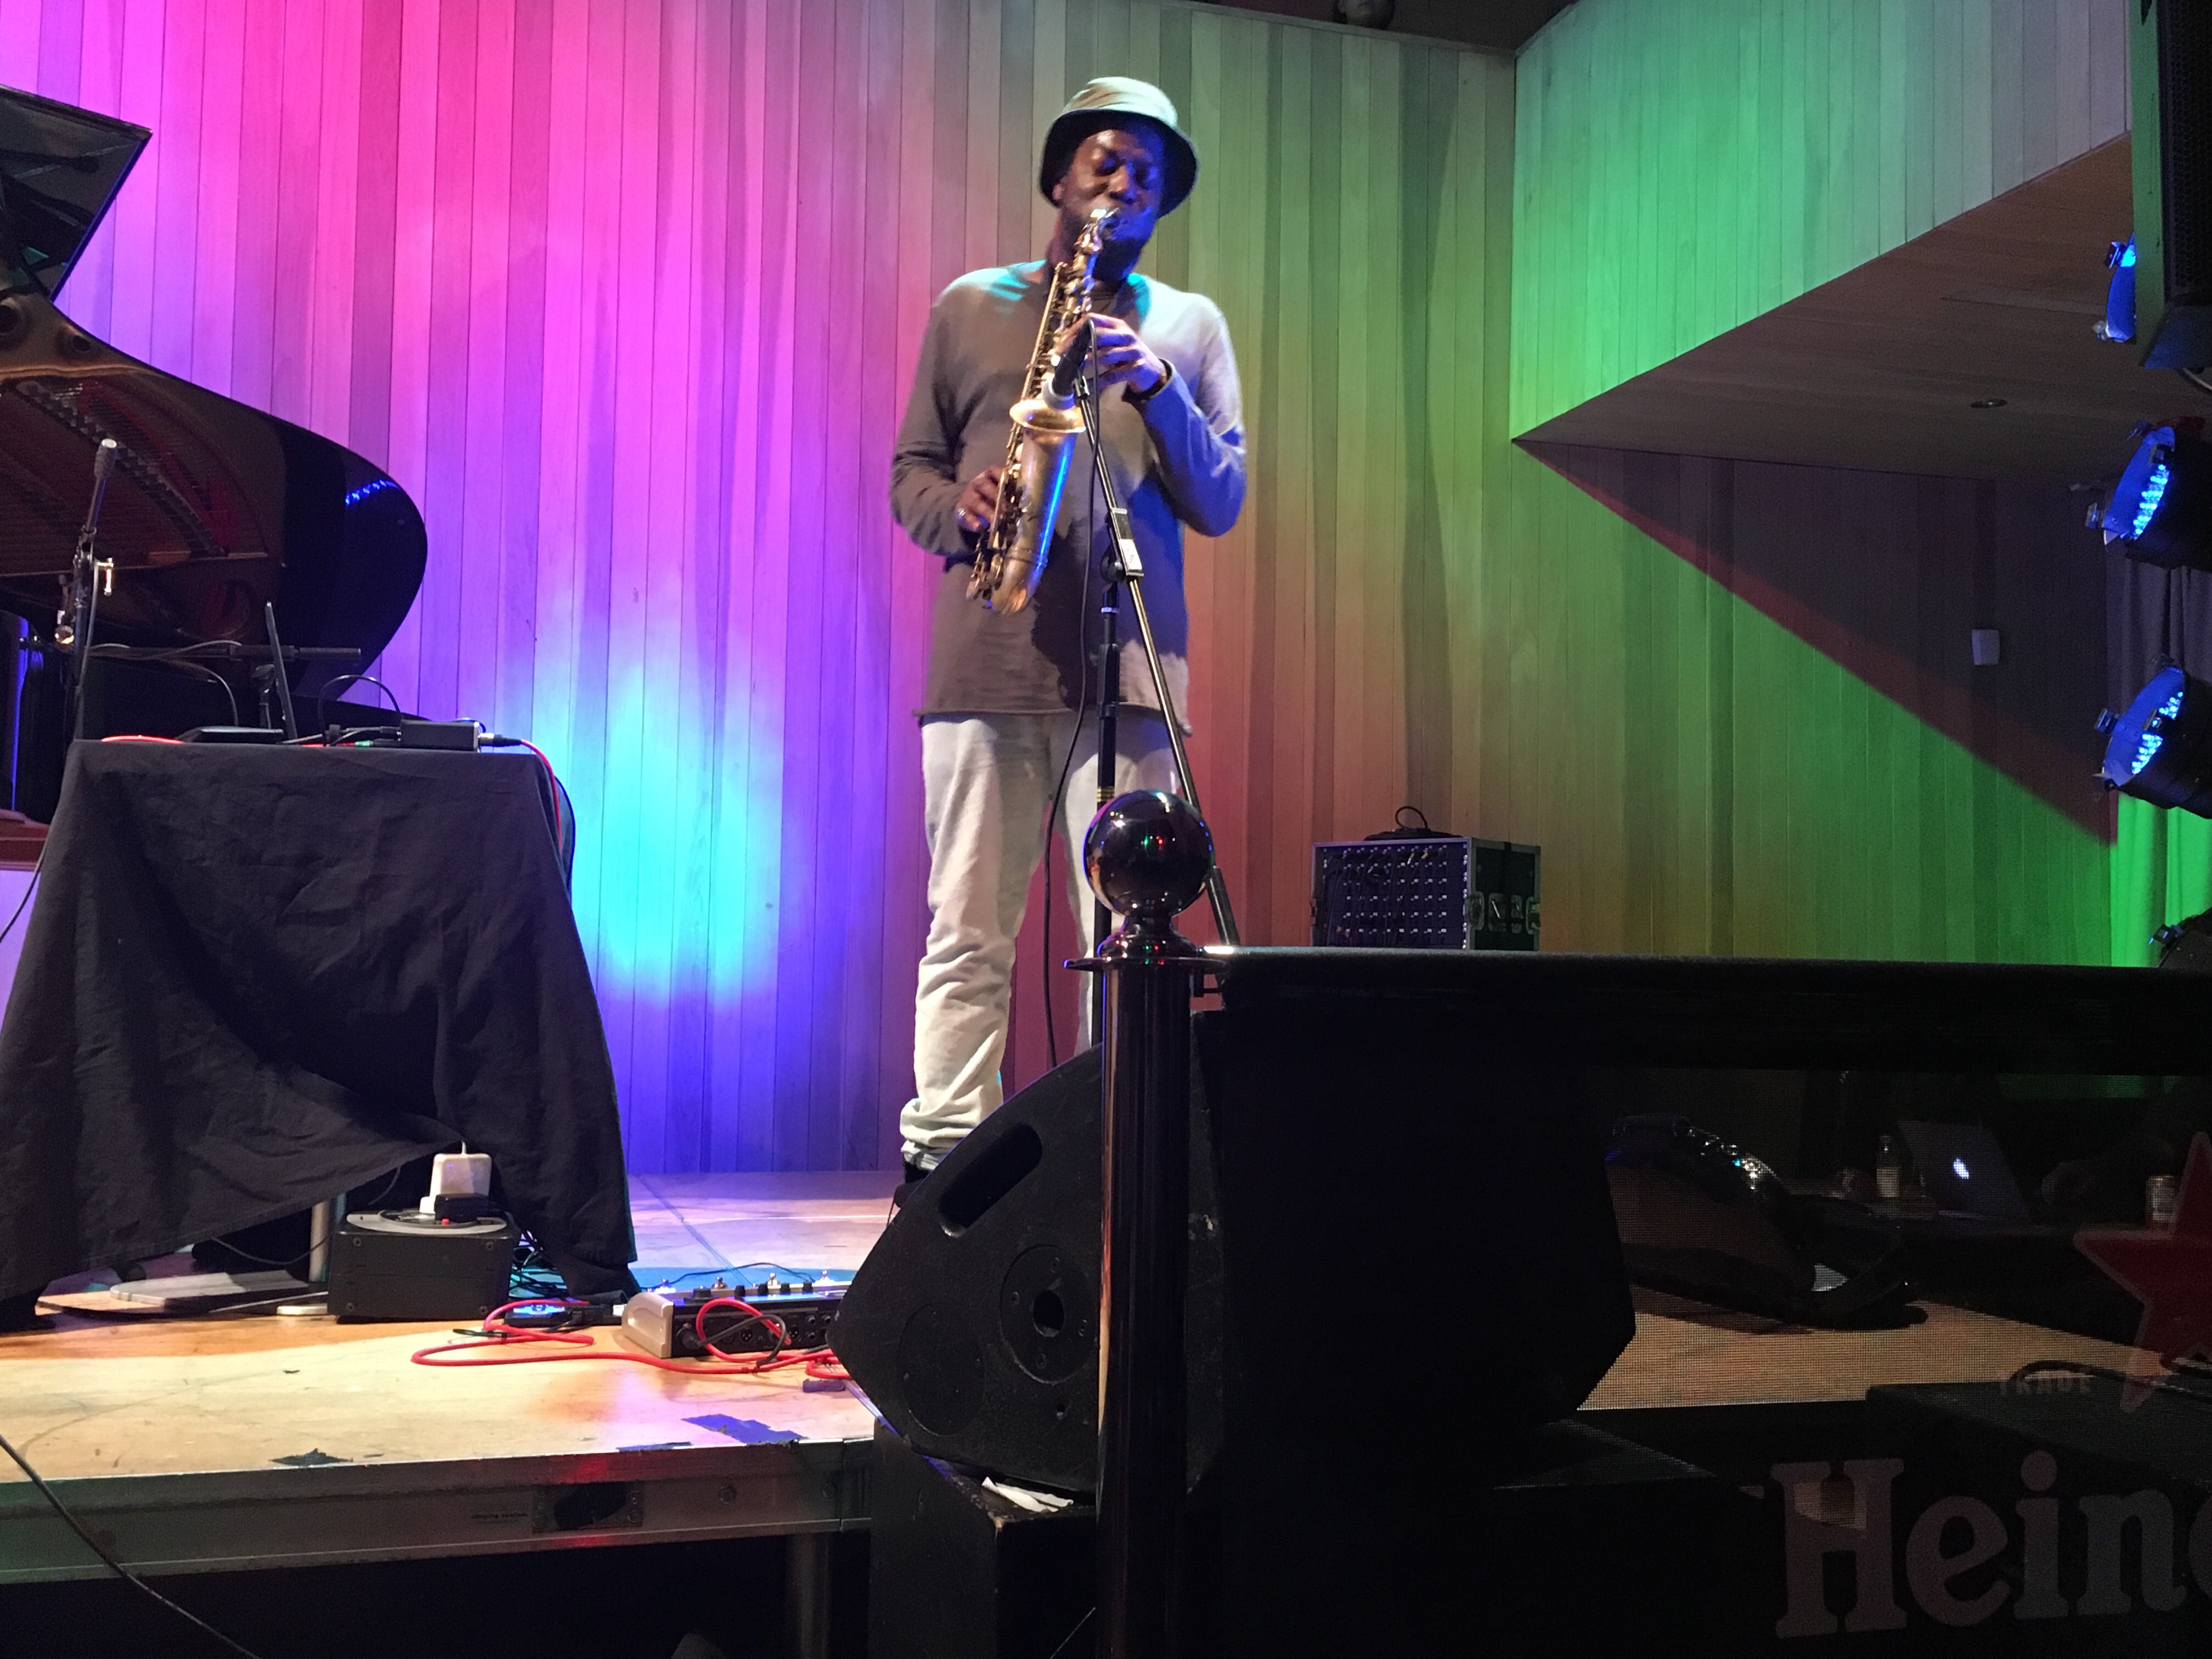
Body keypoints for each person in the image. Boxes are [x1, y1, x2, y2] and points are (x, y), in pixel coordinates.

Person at [889, 77, 1246, 1189]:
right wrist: (963, 510)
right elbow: (910, 475)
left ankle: (1119, 1157)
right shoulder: (970, 305)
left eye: (1148, 172)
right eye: (1106, 159)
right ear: (1059, 179)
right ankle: (945, 1165)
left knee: (1131, 944)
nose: (1126, 182)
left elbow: (1224, 499)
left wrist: (1159, 388)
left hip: (1133, 674)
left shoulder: (1188, 325)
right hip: (986, 664)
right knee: (968, 933)